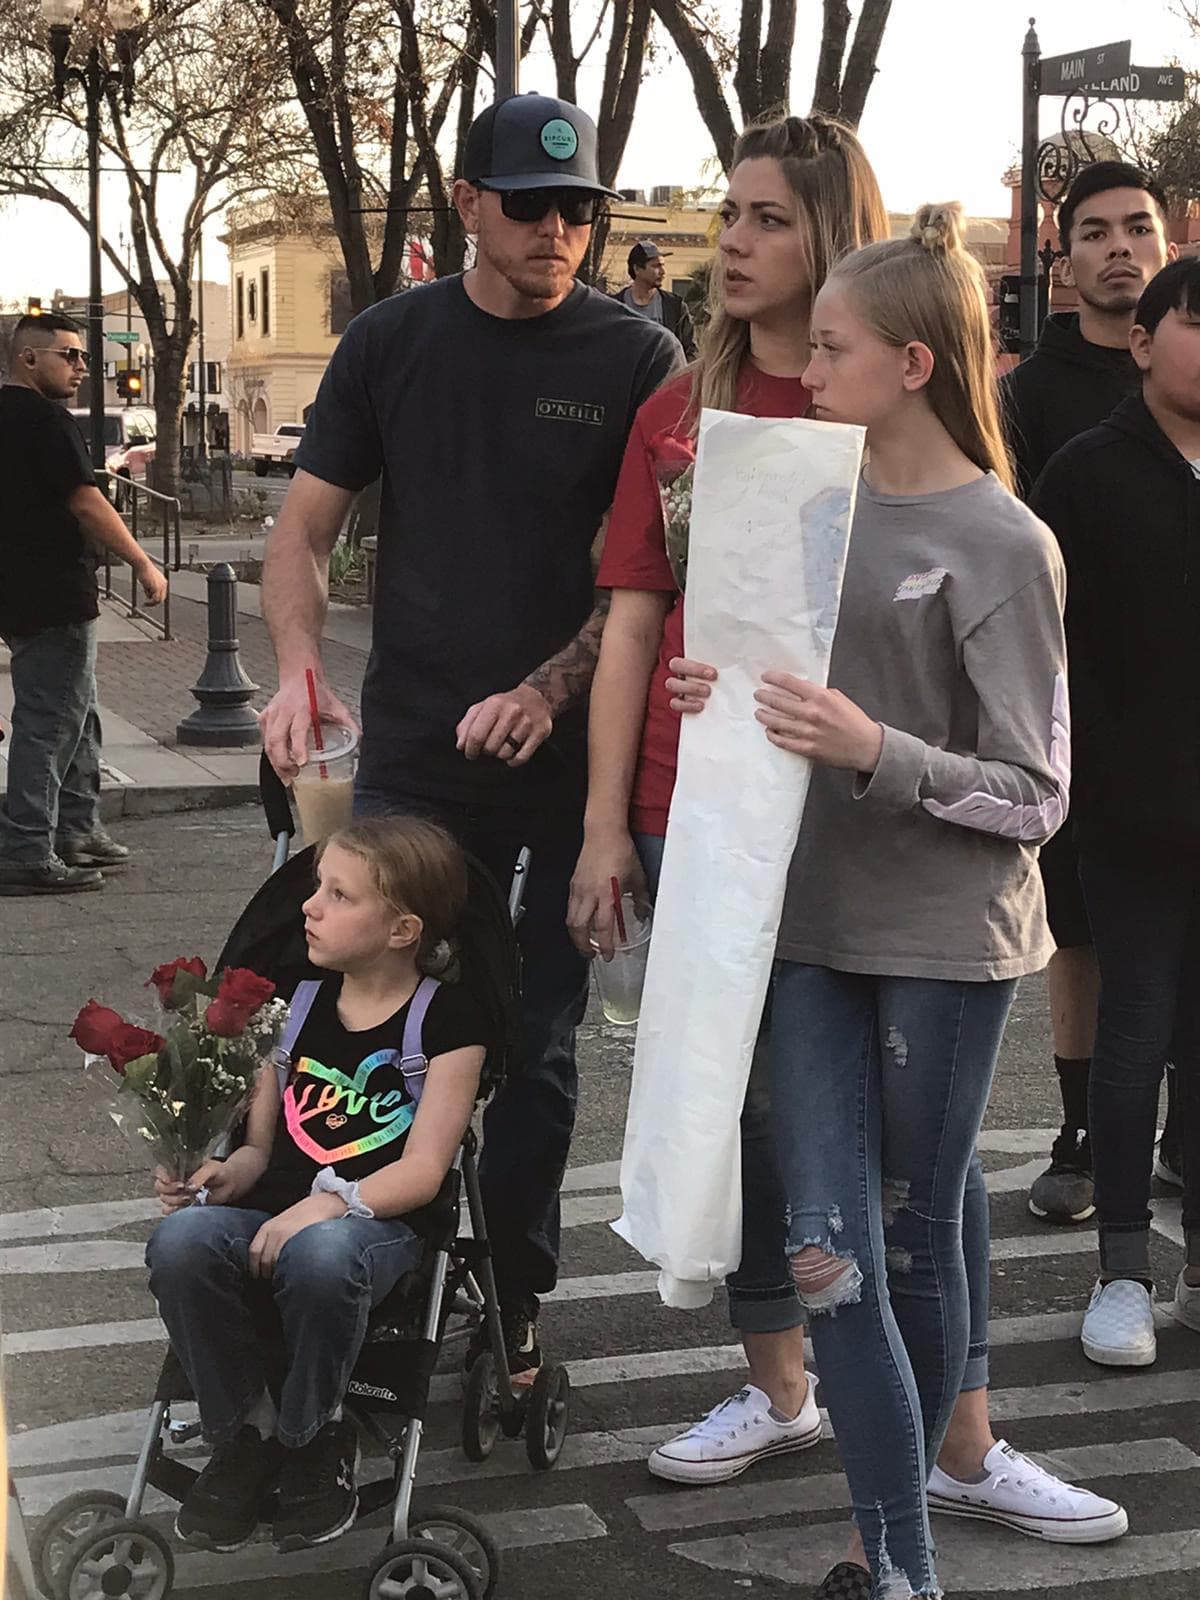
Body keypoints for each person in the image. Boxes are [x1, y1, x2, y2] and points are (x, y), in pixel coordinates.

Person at [571, 117, 1122, 1555]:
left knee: (919, 1226)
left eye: (828, 349)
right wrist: (717, 700)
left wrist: (872, 751)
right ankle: (895, 1548)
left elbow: (1032, 789)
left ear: (905, 358)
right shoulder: (774, 474)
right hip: (792, 911)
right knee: (831, 1242)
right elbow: (751, 672)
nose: (801, 376)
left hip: (939, 938)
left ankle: (942, 1489)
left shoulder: (999, 538)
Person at [258, 92, 681, 1380]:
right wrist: (288, 670)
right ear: (468, 204)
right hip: (413, 761)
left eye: (580, 210)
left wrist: (548, 692)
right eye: (531, 203)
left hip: (574, 774)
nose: (558, 230)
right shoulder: (391, 342)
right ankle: (376, 1270)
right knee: (378, 1019)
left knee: (538, 1042)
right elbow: (303, 531)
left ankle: (518, 1294)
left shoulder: (636, 358)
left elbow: (648, 579)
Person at [146, 817, 492, 1553]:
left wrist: (331, 1204)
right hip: (278, 1209)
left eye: (339, 895)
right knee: (180, 1240)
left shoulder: (448, 1022)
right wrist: (218, 1175)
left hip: (381, 1224)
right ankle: (242, 1431)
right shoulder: (296, 1006)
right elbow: (261, 1148)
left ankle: (312, 1435)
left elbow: (424, 1171)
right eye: (316, 889)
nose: (310, 906)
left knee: (324, 1254)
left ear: (402, 929)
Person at [1030, 257, 1200, 1368]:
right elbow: (1040, 653)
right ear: (1142, 343)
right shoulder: (1086, 475)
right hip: (1130, 819)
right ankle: (1126, 1272)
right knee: (1134, 1036)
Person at [1002, 163, 1179, 1223]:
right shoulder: (1029, 393)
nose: (1120, 247)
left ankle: (1177, 1144)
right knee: (1080, 937)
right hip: (1075, 714)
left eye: (1139, 228)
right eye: (1097, 232)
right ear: (1064, 259)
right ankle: (1079, 1130)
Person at [0, 312, 167, 895]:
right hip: (55, 593)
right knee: (50, 722)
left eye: (81, 357)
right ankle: (26, 847)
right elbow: (87, 501)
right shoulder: (46, 421)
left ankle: (76, 827)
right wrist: (143, 563)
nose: (79, 367)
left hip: (20, 592)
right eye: (67, 355)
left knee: (78, 713)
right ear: (28, 359)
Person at [614, 240, 698, 358]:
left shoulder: (675, 307)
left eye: (663, 265)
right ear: (637, 269)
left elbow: (690, 351)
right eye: (656, 266)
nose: (663, 272)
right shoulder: (615, 306)